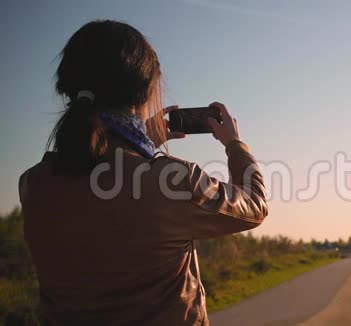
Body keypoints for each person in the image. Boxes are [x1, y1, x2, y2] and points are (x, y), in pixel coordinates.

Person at [18, 20, 268, 325]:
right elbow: (254, 205)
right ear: (147, 90)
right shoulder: (172, 182)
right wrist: (235, 145)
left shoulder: (33, 184)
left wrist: (140, 147)